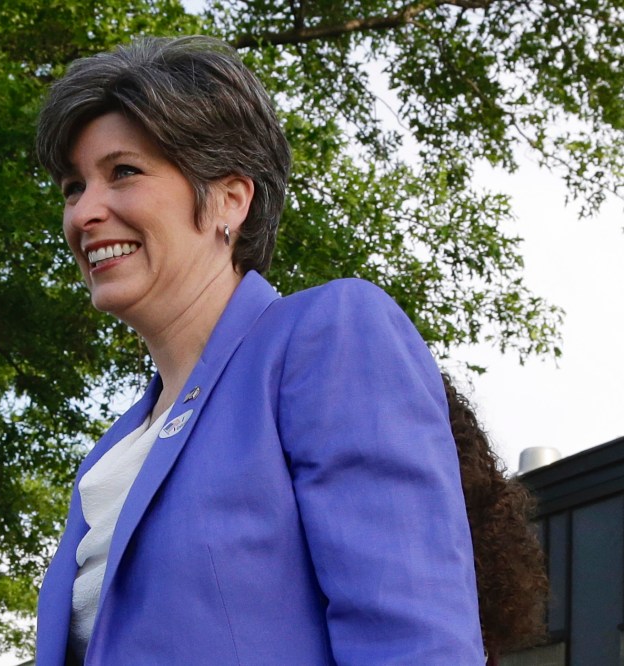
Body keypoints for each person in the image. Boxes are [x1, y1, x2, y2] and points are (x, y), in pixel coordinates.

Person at [33, 35, 546, 665]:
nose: (85, 212)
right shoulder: (110, 454)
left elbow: (414, 641)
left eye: (124, 172)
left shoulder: (326, 335)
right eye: (71, 187)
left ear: (230, 199)